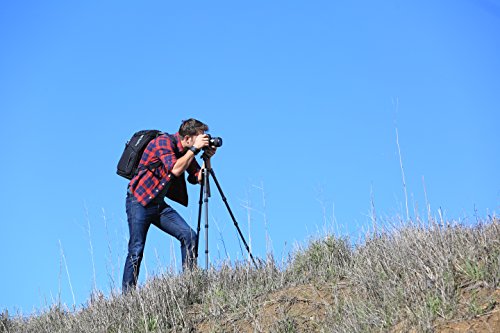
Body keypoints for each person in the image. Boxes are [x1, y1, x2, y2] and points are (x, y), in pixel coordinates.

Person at [122, 118, 216, 293]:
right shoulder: (163, 142)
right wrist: (194, 150)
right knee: (136, 249)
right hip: (139, 201)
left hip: (157, 205)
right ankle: (127, 296)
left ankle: (190, 284)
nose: (202, 141)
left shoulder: (186, 151)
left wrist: (207, 159)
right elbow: (175, 168)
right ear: (188, 138)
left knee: (189, 236)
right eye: (199, 138)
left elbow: (198, 177)